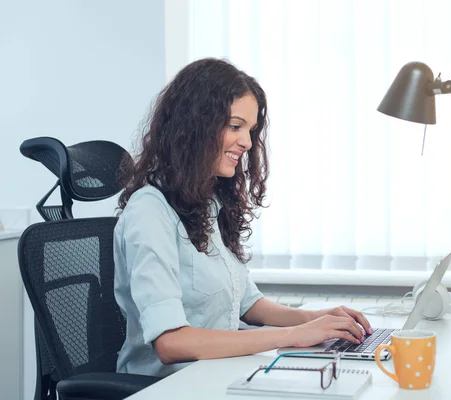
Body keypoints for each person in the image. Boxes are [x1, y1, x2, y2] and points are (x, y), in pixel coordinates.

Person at [113, 58, 372, 377]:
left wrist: (316, 319)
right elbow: (171, 343)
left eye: (249, 130)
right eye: (236, 126)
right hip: (166, 387)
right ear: (195, 126)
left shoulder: (205, 204)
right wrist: (294, 336)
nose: (248, 142)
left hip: (216, 375)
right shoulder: (150, 211)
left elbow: (249, 305)